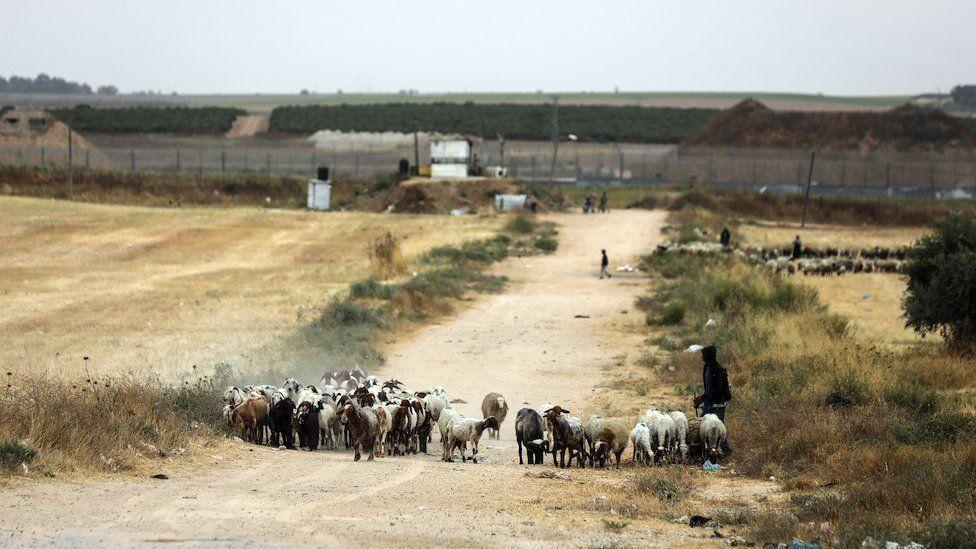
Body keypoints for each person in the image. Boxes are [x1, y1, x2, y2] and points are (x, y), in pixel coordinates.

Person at [694, 345, 732, 454]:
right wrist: (703, 400)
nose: (702, 358)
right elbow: (709, 389)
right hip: (708, 404)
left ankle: (725, 451)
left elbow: (718, 390)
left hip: (718, 406)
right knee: (702, 428)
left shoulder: (719, 371)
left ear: (708, 356)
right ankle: (704, 452)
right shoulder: (707, 367)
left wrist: (702, 398)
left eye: (704, 356)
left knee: (718, 429)